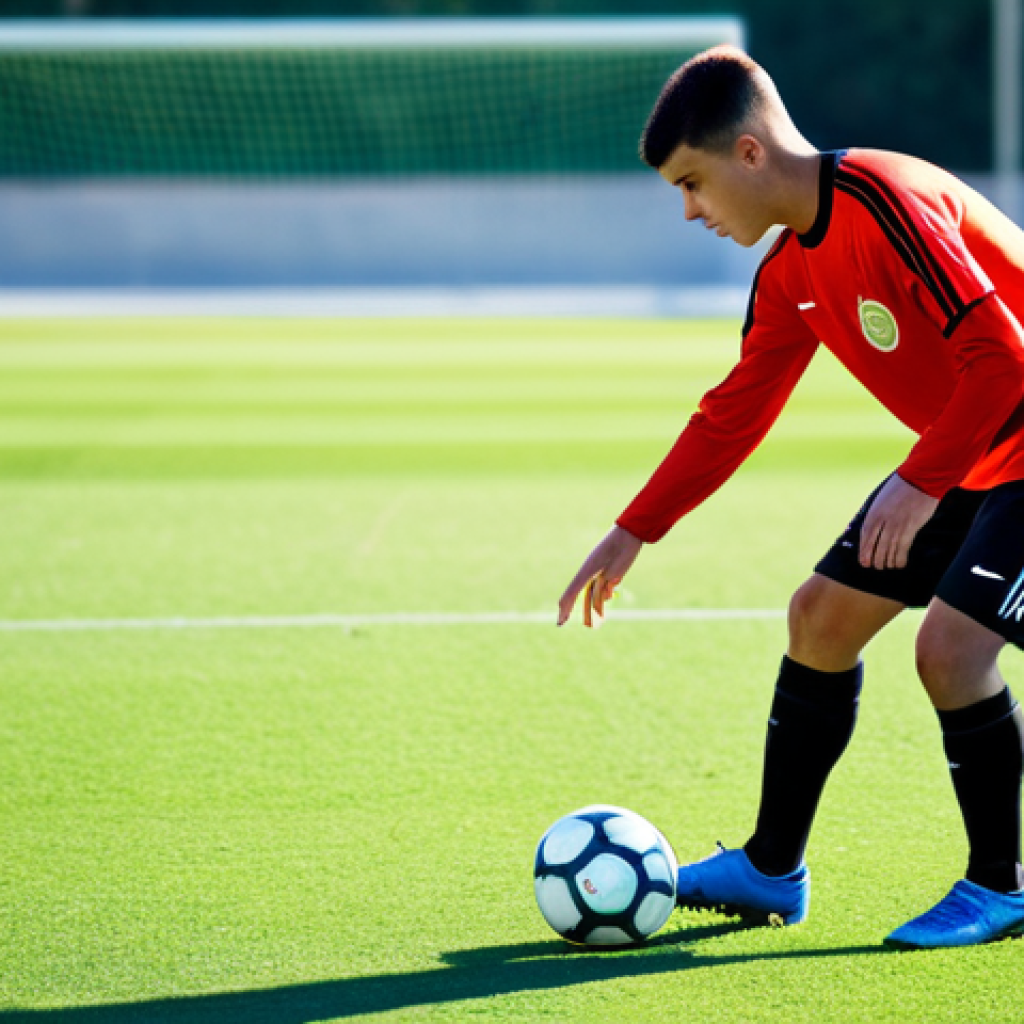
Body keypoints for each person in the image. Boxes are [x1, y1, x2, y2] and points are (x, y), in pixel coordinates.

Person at [556, 45, 1024, 949]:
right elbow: (733, 415)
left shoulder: (887, 199)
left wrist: (919, 481)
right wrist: (632, 531)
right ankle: (772, 870)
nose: (691, 210)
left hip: (1008, 439)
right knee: (820, 618)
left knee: (952, 648)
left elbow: (1004, 359)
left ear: (750, 153)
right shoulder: (788, 274)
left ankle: (1001, 887)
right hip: (977, 455)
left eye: (693, 183)